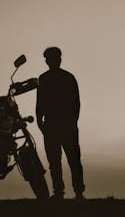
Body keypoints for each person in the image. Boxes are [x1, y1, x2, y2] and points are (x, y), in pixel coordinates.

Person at [36, 47, 85, 200]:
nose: (48, 61)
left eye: (50, 58)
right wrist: (40, 121)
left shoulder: (64, 78)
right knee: (58, 160)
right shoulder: (51, 78)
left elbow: (76, 103)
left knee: (70, 160)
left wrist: (71, 121)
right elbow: (40, 103)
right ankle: (63, 192)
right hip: (55, 124)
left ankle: (73, 192)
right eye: (48, 59)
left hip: (60, 124)